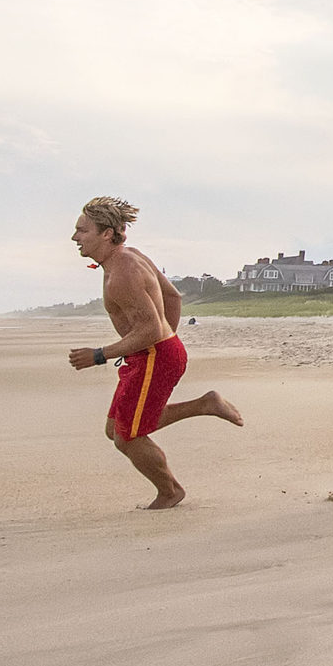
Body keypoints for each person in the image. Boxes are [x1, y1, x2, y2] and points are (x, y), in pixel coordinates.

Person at [66, 196, 241, 508]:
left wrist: (100, 354)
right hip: (150, 354)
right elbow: (173, 297)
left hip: (153, 356)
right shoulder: (128, 257)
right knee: (115, 429)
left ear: (106, 234)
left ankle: (170, 492)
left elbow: (149, 328)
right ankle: (204, 404)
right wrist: (165, 337)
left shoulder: (122, 274)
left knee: (128, 437)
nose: (75, 237)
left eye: (82, 230)